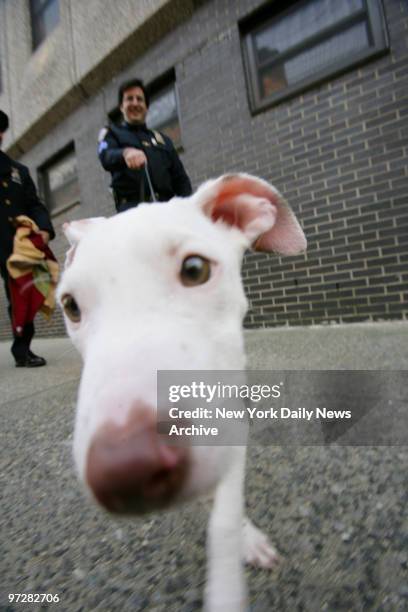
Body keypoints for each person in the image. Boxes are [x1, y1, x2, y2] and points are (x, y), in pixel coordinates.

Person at [0, 110, 55, 367]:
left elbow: (35, 204)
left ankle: (22, 350)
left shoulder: (18, 171)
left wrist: (44, 228)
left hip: (15, 245)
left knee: (21, 295)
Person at [98, 78, 192, 213]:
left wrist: (188, 209)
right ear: (121, 106)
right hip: (133, 216)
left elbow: (181, 180)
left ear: (146, 107)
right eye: (129, 99)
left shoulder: (163, 140)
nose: (135, 103)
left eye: (139, 99)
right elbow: (106, 156)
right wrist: (125, 153)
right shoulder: (112, 133)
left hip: (167, 213)